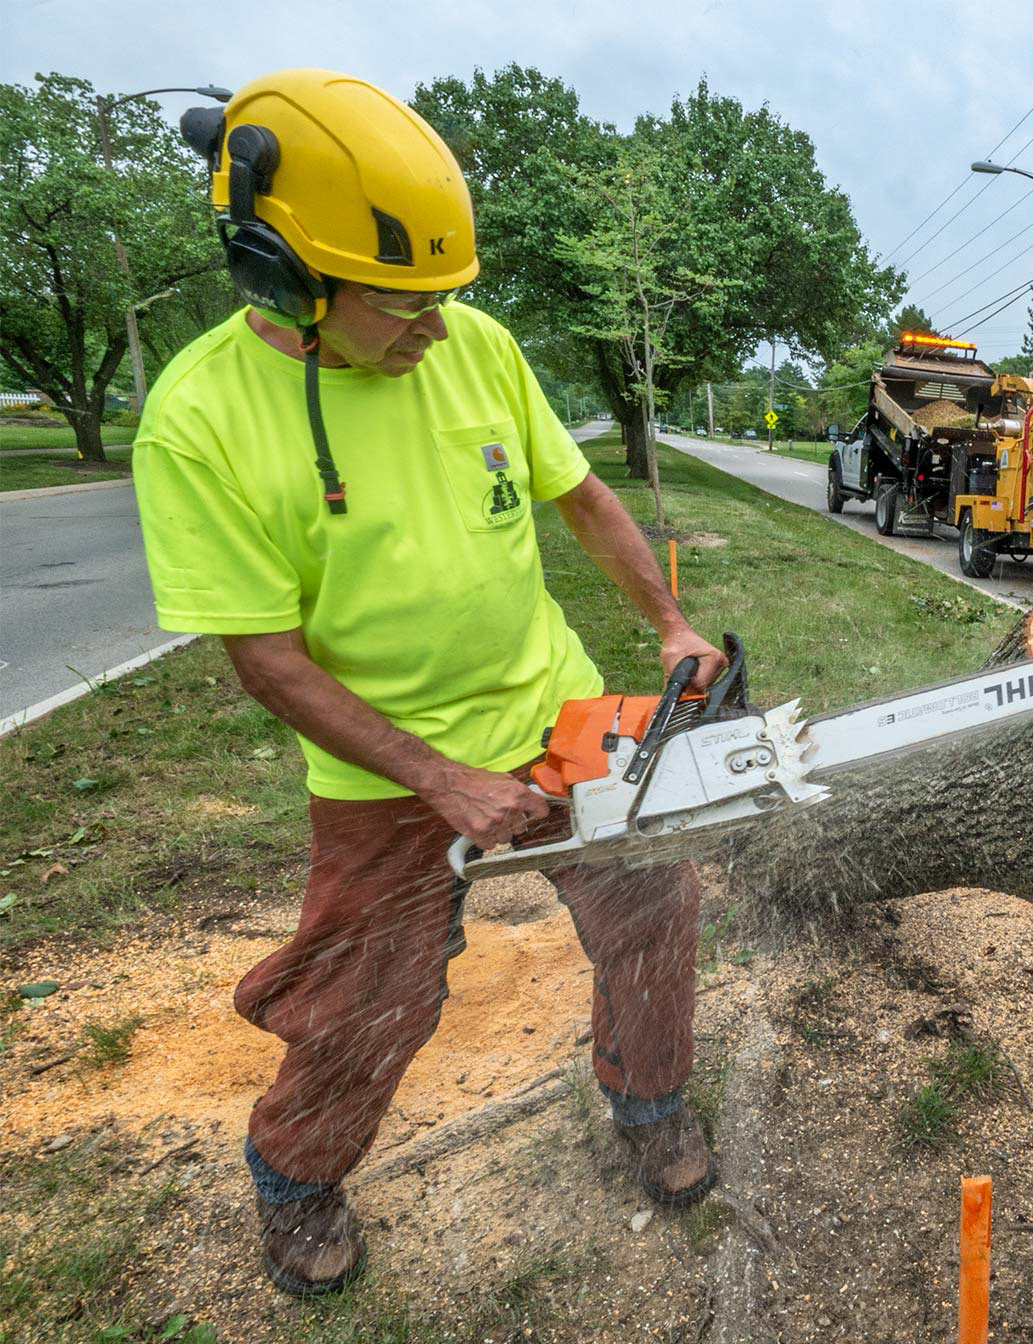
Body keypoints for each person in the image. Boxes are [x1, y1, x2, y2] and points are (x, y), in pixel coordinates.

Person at [132, 70, 727, 1298]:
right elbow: (266, 657)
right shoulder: (198, 422)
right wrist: (439, 779)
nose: (439, 330)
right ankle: (296, 1178)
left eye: (446, 299)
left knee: (656, 903)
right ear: (282, 277)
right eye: (403, 303)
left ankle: (648, 1098)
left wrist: (667, 621)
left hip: (552, 708)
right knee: (368, 996)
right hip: (384, 768)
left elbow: (583, 496)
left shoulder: (477, 350)